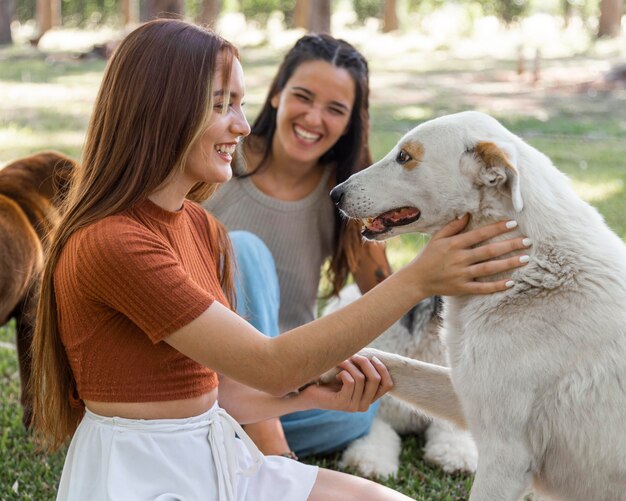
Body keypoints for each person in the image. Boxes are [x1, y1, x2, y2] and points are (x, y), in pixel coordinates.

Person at [30, 20, 530, 501]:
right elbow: (267, 366)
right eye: (222, 105)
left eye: (240, 104)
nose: (242, 125)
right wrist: (421, 279)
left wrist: (312, 395)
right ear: (162, 111)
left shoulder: (199, 226)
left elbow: (221, 392)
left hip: (216, 452)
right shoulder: (114, 243)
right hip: (143, 473)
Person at [204, 34, 394, 459]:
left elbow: (385, 300)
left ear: (350, 123)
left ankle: (230, 436)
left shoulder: (343, 195)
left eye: (335, 109)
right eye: (303, 97)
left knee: (357, 411)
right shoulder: (221, 157)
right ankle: (272, 453)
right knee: (245, 250)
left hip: (285, 386)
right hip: (204, 369)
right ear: (276, 95)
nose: (314, 117)